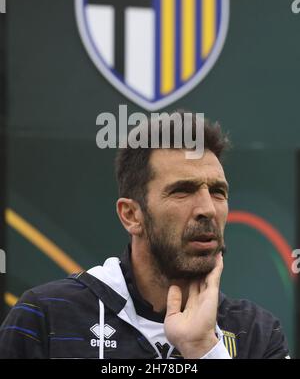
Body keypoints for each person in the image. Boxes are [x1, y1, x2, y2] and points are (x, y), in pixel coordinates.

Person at [0, 111, 290, 359]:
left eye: (218, 192)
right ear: (131, 215)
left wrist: (203, 349)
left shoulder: (257, 332)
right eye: (182, 191)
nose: (208, 209)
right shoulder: (46, 317)